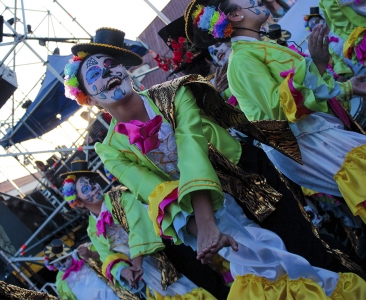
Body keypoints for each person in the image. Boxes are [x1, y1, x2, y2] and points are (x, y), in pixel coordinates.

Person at [63, 27, 366, 298]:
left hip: (249, 180)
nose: (108, 73)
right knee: (268, 276)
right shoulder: (111, 149)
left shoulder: (173, 93)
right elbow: (154, 190)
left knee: (308, 251)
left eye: (111, 64)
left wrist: (206, 223)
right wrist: (202, 231)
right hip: (213, 214)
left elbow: (191, 146)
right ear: (88, 99)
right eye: (95, 75)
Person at [187, 0, 366, 225]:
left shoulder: (257, 48)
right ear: (235, 16)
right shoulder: (242, 60)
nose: (258, 1)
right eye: (250, 1)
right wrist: (318, 65)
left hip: (316, 134)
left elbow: (309, 94)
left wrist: (348, 88)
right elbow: (279, 107)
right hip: (308, 143)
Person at [59, 161, 218, 299]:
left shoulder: (121, 197)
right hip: (148, 271)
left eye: (92, 183)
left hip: (167, 250)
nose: (93, 188)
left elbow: (138, 226)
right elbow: (107, 255)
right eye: (86, 189)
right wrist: (123, 271)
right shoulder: (92, 229)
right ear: (79, 203)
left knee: (204, 283)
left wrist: (136, 263)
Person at [44, 239, 120, 300]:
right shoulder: (60, 281)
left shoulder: (83, 253)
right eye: (57, 265)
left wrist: (91, 254)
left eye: (63, 260)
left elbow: (107, 256)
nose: (62, 266)